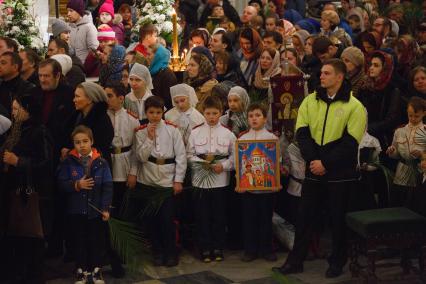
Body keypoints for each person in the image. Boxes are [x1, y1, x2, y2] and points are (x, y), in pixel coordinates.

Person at [273, 59, 366, 278]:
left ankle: (337, 261)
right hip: (314, 167)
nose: (321, 76)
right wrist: (314, 160)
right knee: (304, 218)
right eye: (321, 72)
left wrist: (326, 163)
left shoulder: (354, 106)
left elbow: (350, 143)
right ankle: (295, 261)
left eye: (326, 73)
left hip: (340, 172)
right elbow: (302, 133)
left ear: (339, 77)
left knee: (337, 220)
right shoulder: (309, 101)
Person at [1, 95, 54, 284]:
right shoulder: (17, 129)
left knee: (32, 237)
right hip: (14, 190)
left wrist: (19, 162)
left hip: (32, 193)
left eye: (17, 109)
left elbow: (46, 163)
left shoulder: (39, 131)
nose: (13, 113)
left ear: (28, 110)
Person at [133, 96, 187, 267]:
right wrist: (149, 138)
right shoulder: (140, 131)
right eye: (151, 112)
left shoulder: (172, 130)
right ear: (146, 113)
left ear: (163, 112)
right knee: (151, 220)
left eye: (158, 112)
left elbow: (181, 156)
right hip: (147, 180)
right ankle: (157, 251)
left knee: (167, 219)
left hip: (167, 180)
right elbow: (140, 157)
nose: (155, 116)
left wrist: (178, 180)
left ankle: (171, 252)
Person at [57, 125, 112, 284]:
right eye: (77, 142)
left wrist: (105, 208)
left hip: (95, 211)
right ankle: (81, 270)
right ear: (73, 144)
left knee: (95, 241)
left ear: (92, 141)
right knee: (79, 241)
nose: (81, 145)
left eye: (85, 141)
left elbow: (107, 186)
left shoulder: (101, 162)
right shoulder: (68, 162)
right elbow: (61, 183)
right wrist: (77, 185)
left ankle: (96, 270)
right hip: (76, 211)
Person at [187, 96, 236, 262]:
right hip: (200, 180)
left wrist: (224, 166)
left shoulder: (228, 134)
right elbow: (189, 154)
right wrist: (202, 163)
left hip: (220, 179)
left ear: (221, 113)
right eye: (208, 113)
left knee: (219, 216)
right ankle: (205, 247)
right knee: (202, 216)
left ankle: (218, 246)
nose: (212, 116)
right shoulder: (194, 132)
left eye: (215, 113)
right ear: (203, 113)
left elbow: (234, 157)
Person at [236, 103, 281, 262]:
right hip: (249, 190)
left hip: (267, 190)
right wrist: (240, 184)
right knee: (249, 220)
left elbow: (276, 162)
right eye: (251, 116)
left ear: (264, 118)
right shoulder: (242, 138)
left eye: (257, 115)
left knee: (266, 219)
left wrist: (276, 181)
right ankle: (250, 250)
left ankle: (267, 249)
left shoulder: (272, 138)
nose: (254, 119)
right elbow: (239, 165)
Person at [105, 82, 139, 217]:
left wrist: (133, 172)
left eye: (109, 96)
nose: (106, 99)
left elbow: (136, 147)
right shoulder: (103, 116)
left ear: (121, 98)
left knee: (123, 203)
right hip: (107, 160)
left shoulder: (132, 118)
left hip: (125, 162)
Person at [386, 97, 425, 206]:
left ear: (424, 113)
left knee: (416, 204)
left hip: (420, 172)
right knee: (400, 202)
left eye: (416, 116)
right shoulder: (400, 131)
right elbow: (396, 154)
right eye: (410, 115)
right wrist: (392, 151)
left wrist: (421, 155)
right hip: (402, 173)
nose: (413, 118)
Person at [63, 82, 114, 167]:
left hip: (96, 168)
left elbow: (101, 147)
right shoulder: (76, 117)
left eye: (77, 96)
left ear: (90, 99)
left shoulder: (102, 119)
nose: (74, 100)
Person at [358, 50, 401, 150]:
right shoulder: (365, 86)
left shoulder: (393, 90)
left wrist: (368, 128)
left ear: (385, 68)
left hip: (383, 139)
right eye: (371, 64)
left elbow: (391, 120)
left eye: (376, 65)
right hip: (362, 135)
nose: (371, 68)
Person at [150, 44, 177, 110]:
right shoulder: (153, 71)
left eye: (150, 54)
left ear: (157, 56)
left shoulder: (167, 75)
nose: (148, 57)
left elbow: (168, 101)